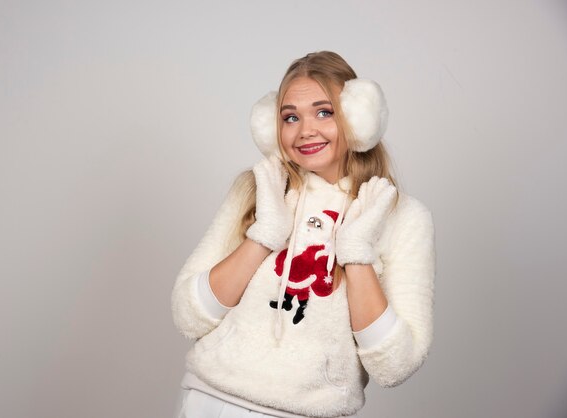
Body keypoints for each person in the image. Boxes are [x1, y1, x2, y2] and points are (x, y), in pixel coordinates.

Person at [171, 51, 436, 418]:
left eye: (324, 112)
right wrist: (263, 236)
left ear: (360, 119)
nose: (305, 130)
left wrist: (356, 251)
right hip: (210, 402)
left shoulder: (403, 217)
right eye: (290, 117)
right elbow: (189, 315)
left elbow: (395, 364)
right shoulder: (256, 189)